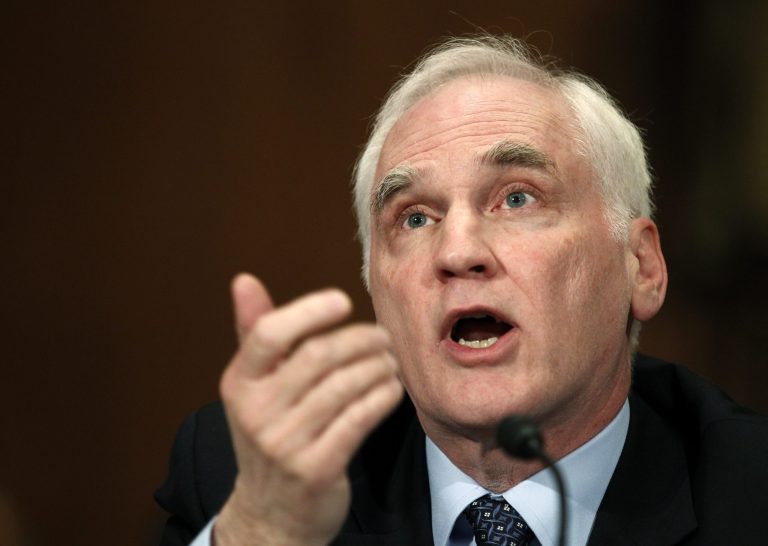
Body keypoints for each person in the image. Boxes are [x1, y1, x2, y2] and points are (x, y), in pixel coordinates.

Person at [155, 35, 768, 546]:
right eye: (415, 217)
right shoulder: (257, 475)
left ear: (641, 267)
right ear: (377, 292)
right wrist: (259, 530)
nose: (457, 252)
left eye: (518, 198)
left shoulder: (747, 493)